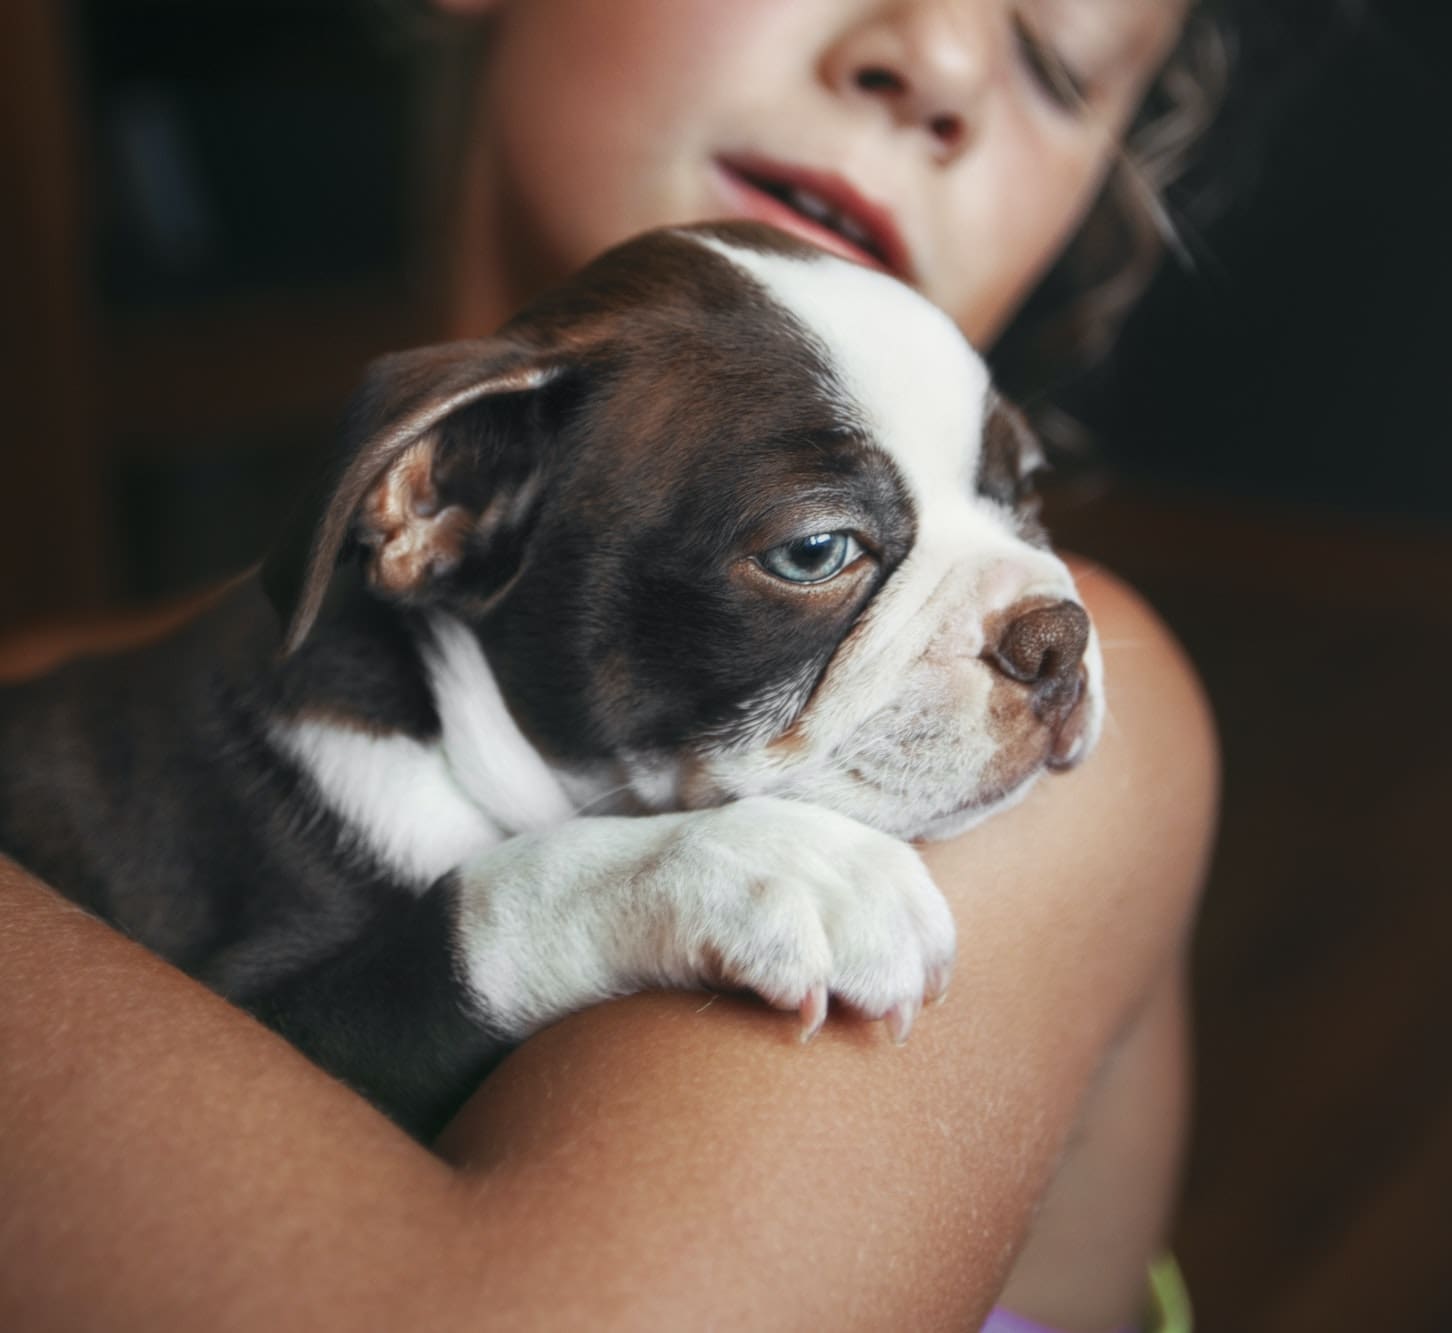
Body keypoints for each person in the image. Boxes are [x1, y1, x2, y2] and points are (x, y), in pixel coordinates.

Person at [0, 3, 1228, 1328]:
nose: (935, 61)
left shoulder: (1105, 732)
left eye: (1057, 68)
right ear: (427, 501)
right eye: (821, 544)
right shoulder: (116, 710)